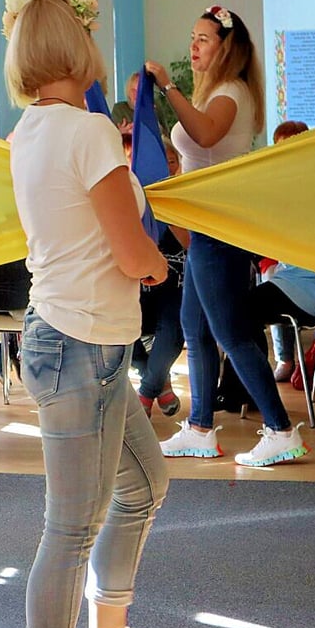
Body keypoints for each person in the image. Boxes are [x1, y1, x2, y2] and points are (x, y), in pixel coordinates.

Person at [4, 0, 179, 628]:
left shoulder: (29, 132)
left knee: (144, 485)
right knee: (70, 524)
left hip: (80, 341)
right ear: (80, 45)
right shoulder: (89, 131)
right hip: (81, 347)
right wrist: (160, 266)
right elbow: (130, 248)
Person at [146, 5, 308, 467]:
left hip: (218, 228)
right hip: (205, 226)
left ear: (226, 47)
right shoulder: (216, 91)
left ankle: (279, 428)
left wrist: (168, 87)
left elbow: (203, 134)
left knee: (231, 333)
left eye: (203, 39)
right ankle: (199, 426)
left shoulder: (231, 93)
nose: (193, 47)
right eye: (192, 37)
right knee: (195, 330)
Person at [123, 135, 186, 419]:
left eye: (170, 162)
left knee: (173, 329)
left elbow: (189, 243)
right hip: (135, 286)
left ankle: (147, 392)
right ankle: (160, 381)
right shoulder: (127, 197)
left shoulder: (183, 196)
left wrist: (166, 207)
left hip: (175, 285)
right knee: (122, 324)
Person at [263, 121, 309, 383]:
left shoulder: (313, 177)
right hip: (276, 255)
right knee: (272, 282)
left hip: (309, 257)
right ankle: (285, 358)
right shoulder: (271, 179)